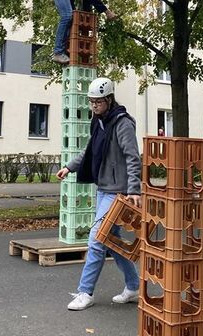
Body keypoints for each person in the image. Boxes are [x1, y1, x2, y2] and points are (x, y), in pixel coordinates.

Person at [56, 77, 141, 311]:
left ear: (109, 99)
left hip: (118, 192)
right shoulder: (99, 121)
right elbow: (90, 151)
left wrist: (134, 189)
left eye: (98, 102)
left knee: (95, 238)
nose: (94, 105)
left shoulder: (122, 123)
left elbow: (133, 157)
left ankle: (86, 292)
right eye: (91, 102)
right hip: (103, 188)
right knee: (110, 241)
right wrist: (69, 167)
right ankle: (134, 287)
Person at [48, 0, 123, 64]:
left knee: (73, 19)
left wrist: (88, 18)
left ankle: (67, 52)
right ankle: (58, 53)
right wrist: (107, 12)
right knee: (67, 16)